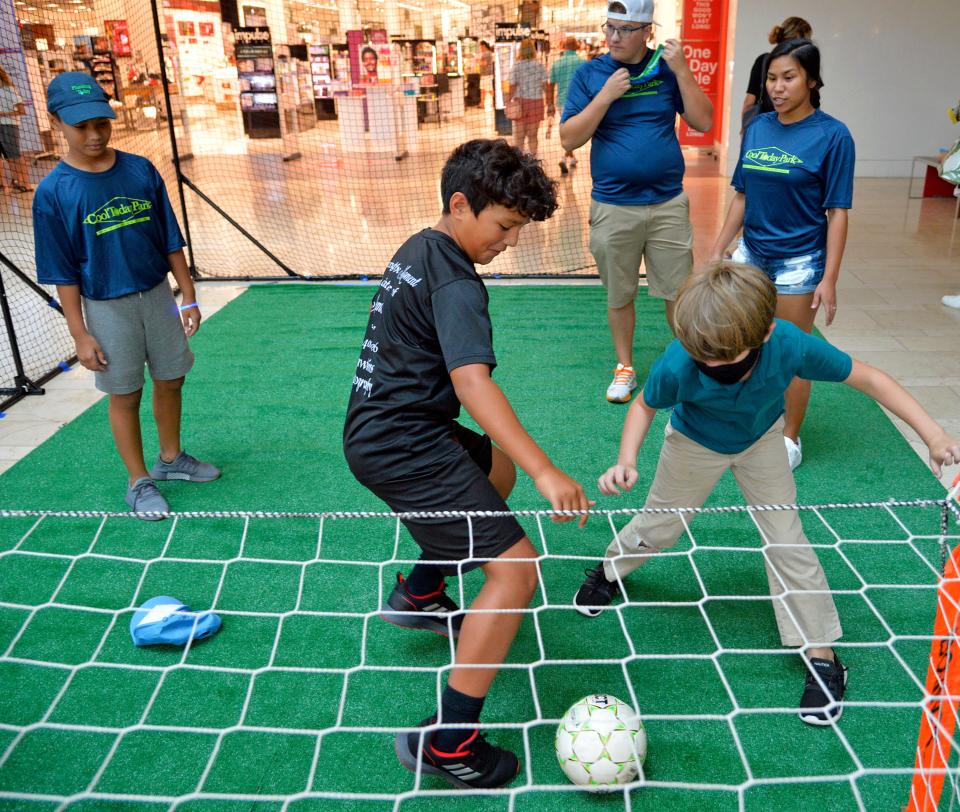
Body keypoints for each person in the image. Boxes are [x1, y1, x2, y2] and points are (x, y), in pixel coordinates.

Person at [573, 262, 960, 726]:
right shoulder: (679, 360)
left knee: (786, 540)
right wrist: (627, 459)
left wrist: (933, 435)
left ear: (763, 334)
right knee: (661, 525)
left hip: (761, 441)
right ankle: (610, 568)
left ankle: (822, 656)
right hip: (693, 443)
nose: (715, 369)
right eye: (705, 362)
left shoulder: (788, 343)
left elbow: (871, 379)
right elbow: (643, 405)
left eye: (729, 363)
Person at [343, 138, 591, 788]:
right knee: (516, 573)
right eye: (504, 225)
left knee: (494, 472)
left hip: (392, 427)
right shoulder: (456, 280)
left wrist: (518, 466)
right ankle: (450, 744)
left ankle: (420, 594)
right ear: (461, 203)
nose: (509, 241)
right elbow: (473, 383)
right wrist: (546, 470)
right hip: (402, 443)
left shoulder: (420, 245)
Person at [32, 72, 218, 518]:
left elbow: (169, 237)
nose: (94, 134)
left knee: (172, 378)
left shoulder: (140, 169)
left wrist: (187, 295)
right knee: (125, 393)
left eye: (102, 123)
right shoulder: (53, 193)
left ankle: (171, 459)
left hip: (156, 295)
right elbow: (63, 274)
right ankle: (139, 481)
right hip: (106, 307)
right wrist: (80, 334)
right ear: (57, 121)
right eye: (82, 126)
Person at [709, 39, 854, 471]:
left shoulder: (833, 135)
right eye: (771, 78)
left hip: (799, 263)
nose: (777, 87)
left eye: (788, 77)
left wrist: (828, 277)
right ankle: (733, 420)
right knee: (734, 341)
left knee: (791, 353)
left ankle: (789, 438)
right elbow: (742, 196)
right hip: (752, 254)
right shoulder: (757, 127)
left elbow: (838, 212)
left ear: (811, 81)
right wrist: (718, 250)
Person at [559, 0, 713, 404]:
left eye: (625, 29)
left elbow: (704, 121)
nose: (613, 36)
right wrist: (605, 97)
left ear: (648, 31)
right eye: (609, 27)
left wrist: (683, 72)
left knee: (678, 293)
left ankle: (687, 367)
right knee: (619, 294)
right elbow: (569, 138)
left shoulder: (666, 68)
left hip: (667, 204)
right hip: (613, 207)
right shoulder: (591, 74)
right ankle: (625, 368)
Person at [741, 16, 812, 131]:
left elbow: (749, 102)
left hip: (763, 130)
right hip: (794, 132)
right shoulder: (804, 67)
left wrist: (744, 131)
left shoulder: (763, 61)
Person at [507, 38, 550, 157]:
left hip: (520, 102)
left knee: (519, 137)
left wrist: (507, 101)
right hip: (536, 102)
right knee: (533, 136)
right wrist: (549, 101)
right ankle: (533, 161)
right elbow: (545, 85)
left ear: (520, 50)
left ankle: (518, 164)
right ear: (533, 50)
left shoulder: (516, 66)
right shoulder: (539, 65)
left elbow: (512, 86)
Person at [548, 36, 584, 175]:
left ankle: (569, 157)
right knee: (573, 132)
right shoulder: (582, 62)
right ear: (576, 46)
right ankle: (566, 158)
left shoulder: (557, 63)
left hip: (562, 103)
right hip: (579, 103)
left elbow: (550, 85)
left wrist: (550, 103)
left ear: (564, 46)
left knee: (568, 130)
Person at [0, 67, 34, 193]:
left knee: (14, 155)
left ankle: (25, 184)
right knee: (4, 158)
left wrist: (2, 114)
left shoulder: (10, 90)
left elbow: (21, 111)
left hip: (9, 126)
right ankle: (6, 185)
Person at [478, 40, 495, 111]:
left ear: (483, 46)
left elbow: (484, 63)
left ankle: (494, 102)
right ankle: (482, 103)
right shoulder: (488, 53)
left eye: (480, 46)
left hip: (487, 75)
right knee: (483, 89)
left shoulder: (486, 53)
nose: (480, 48)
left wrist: (478, 62)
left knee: (489, 90)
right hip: (486, 74)